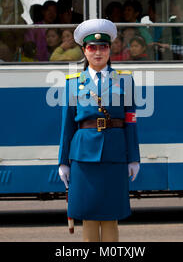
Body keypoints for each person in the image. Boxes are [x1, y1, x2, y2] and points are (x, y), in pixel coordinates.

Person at [58, 19, 140, 242]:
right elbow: (67, 125)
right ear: (84, 51)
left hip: (115, 153)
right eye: (92, 48)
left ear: (109, 50)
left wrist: (134, 158)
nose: (97, 52)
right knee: (89, 215)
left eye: (103, 47)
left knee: (111, 215)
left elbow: (131, 121)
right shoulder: (73, 82)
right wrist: (63, 162)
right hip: (83, 156)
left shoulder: (125, 80)